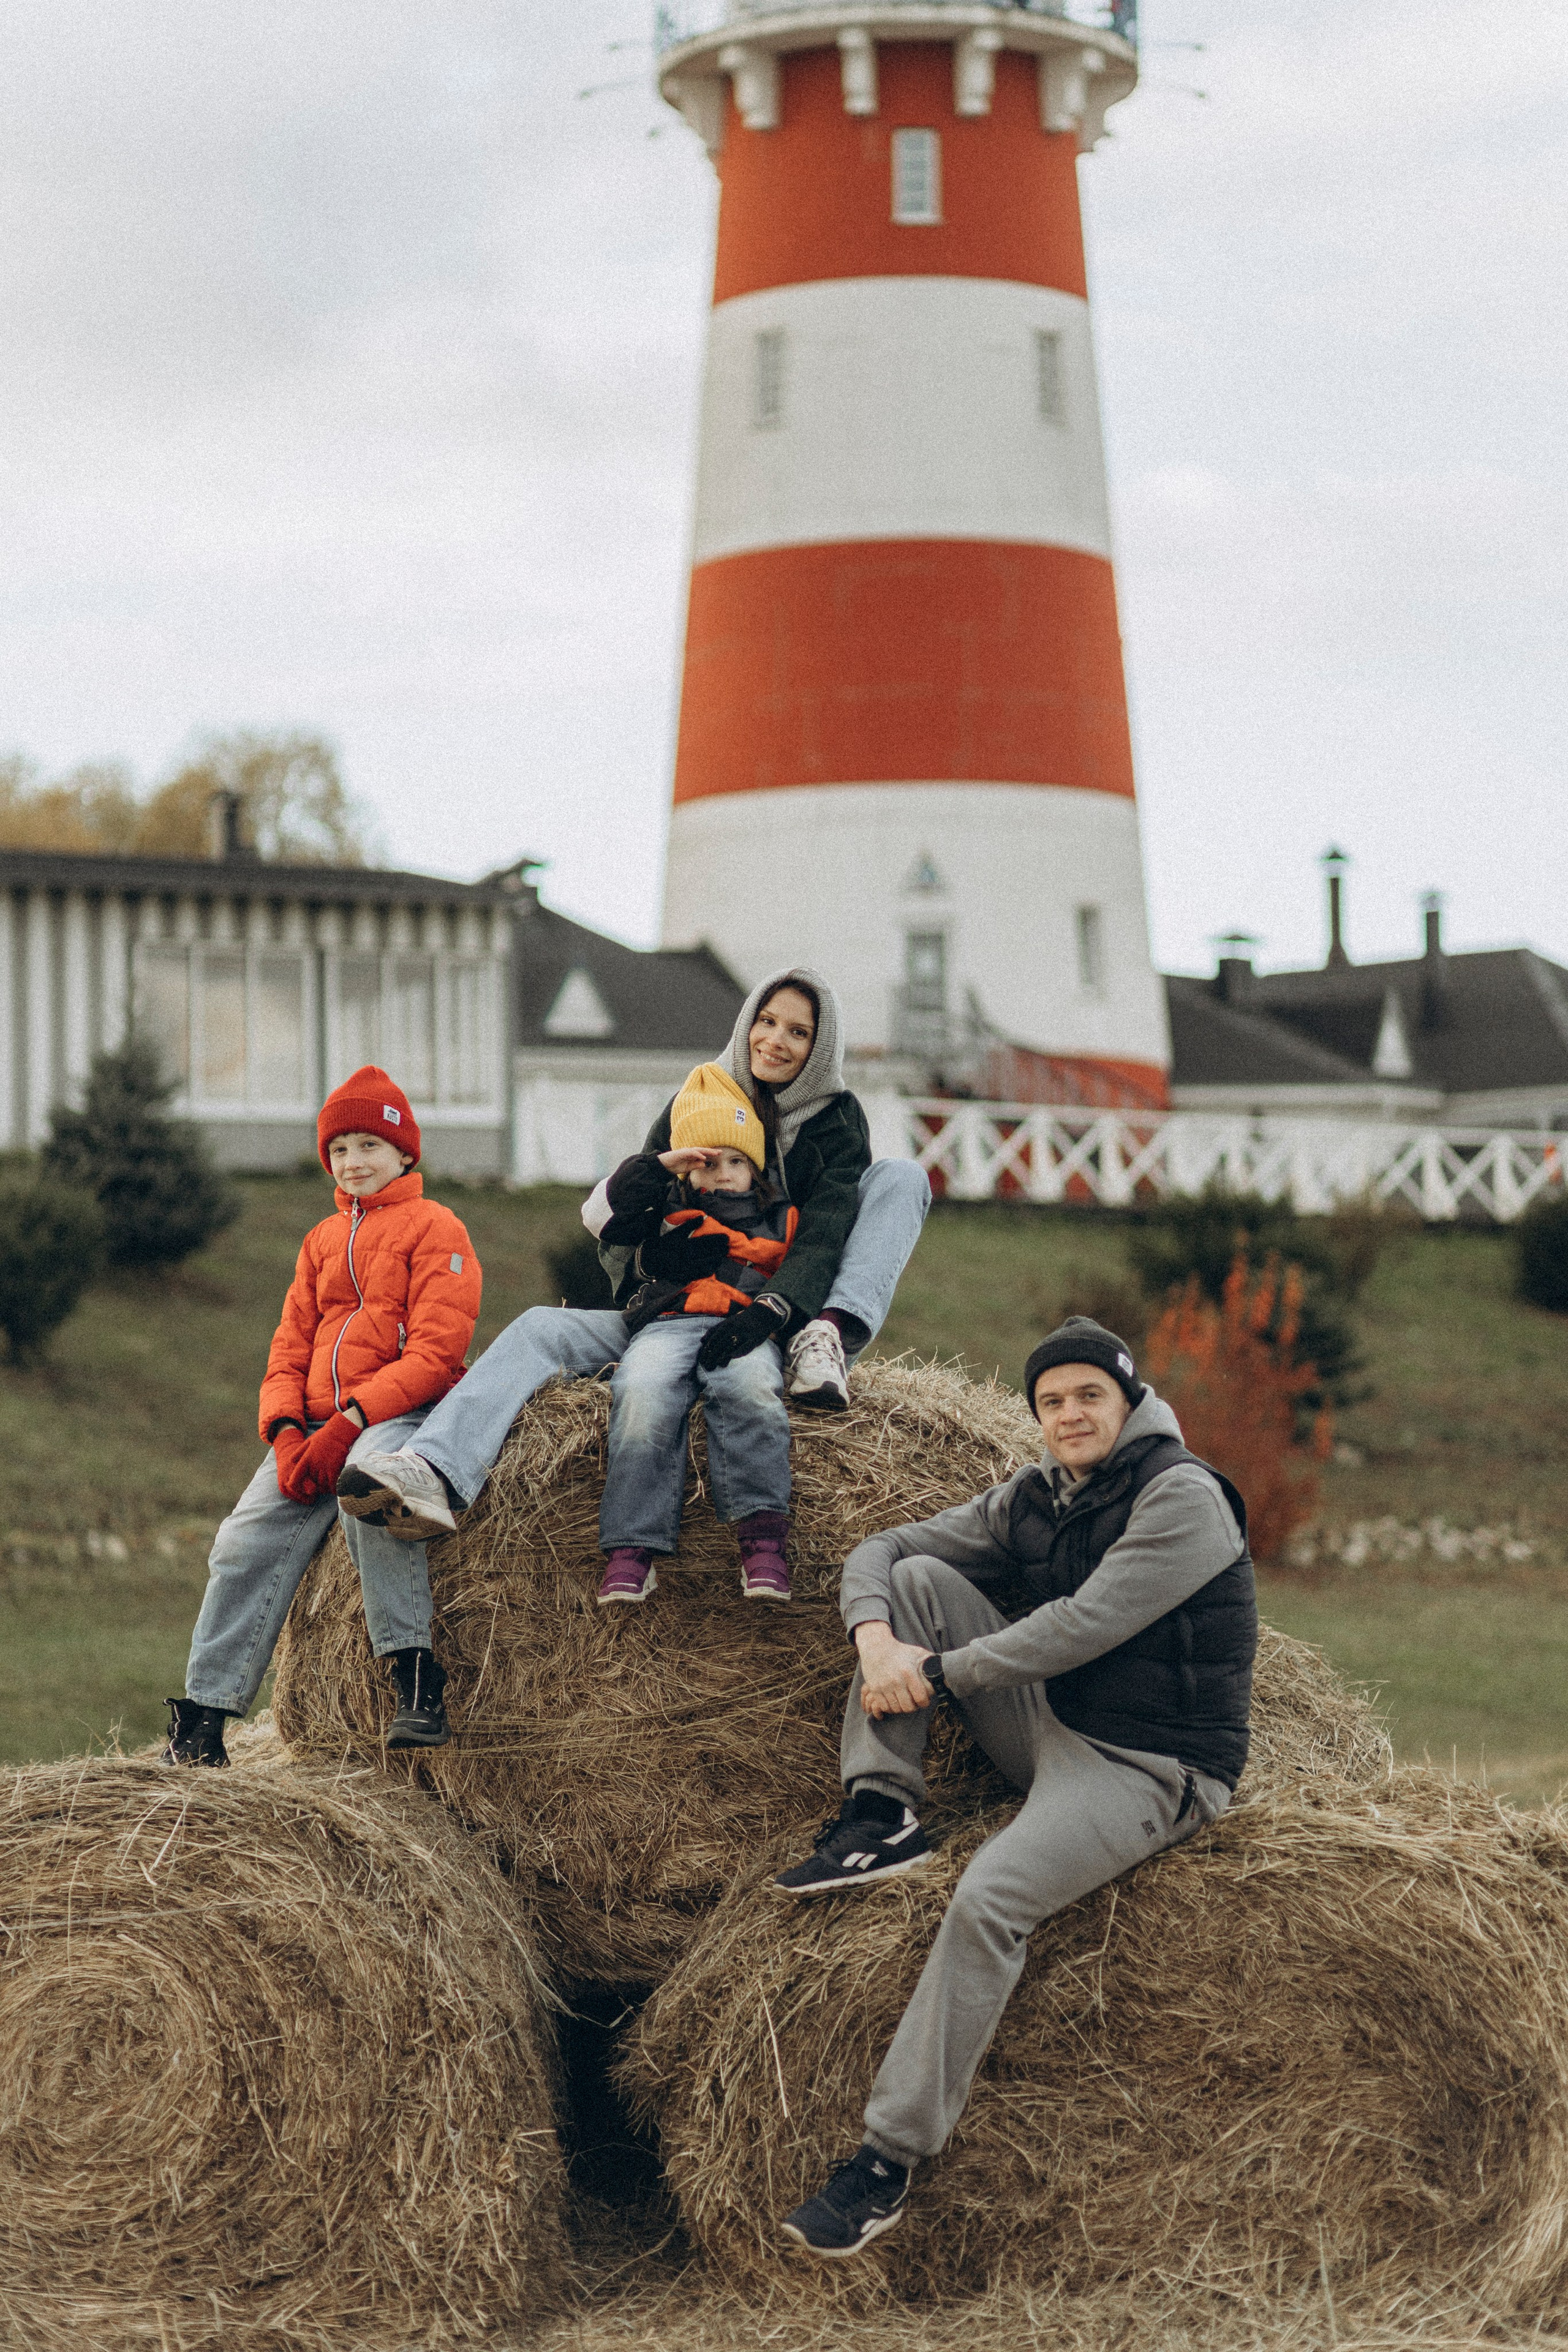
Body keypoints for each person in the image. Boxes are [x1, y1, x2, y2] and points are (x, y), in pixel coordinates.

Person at [772, 1316, 1256, 2260]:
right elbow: (878, 1551)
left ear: (1129, 1402)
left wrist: (938, 1673)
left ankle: (886, 2163)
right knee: (915, 1579)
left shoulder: (1185, 1499)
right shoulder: (1039, 1495)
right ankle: (882, 1811)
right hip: (1051, 1723)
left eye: (1089, 1396)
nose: (1070, 1415)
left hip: (1148, 1766)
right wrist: (878, 1643)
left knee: (989, 1899)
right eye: (1052, 1401)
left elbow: (1083, 1625)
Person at [336, 967, 930, 1546]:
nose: (775, 1040)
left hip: (773, 1318)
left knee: (902, 1176)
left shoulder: (836, 1119)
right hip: (670, 1318)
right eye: (766, 1021)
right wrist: (653, 1265)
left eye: (798, 1032)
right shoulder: (695, 1098)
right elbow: (626, 1214)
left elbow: (824, 1231)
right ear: (747, 1021)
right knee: (542, 1326)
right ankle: (434, 1468)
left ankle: (827, 1337)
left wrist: (783, 1308)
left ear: (820, 1048)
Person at [160, 1066, 482, 1768]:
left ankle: (415, 1678)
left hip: (399, 1413)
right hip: (309, 1428)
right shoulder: (319, 1241)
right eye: (339, 1150)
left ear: (404, 1153)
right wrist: (283, 1434)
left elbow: (436, 1352)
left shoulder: (438, 1227)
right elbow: (287, 1348)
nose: (353, 1162)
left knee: (371, 1494)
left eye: (369, 1144)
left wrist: (351, 1423)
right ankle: (204, 1720)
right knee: (239, 1542)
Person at [593, 1059, 801, 1605]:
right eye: (706, 1163)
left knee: (752, 1392)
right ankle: (633, 1548)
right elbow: (601, 1215)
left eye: (736, 1161)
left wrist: (770, 1314)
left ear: (756, 1167)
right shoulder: (666, 1212)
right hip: (669, 1326)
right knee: (641, 1393)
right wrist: (661, 1165)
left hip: (742, 1330)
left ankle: (761, 1539)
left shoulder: (782, 1219)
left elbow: (804, 1280)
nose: (722, 1173)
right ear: (687, 1169)